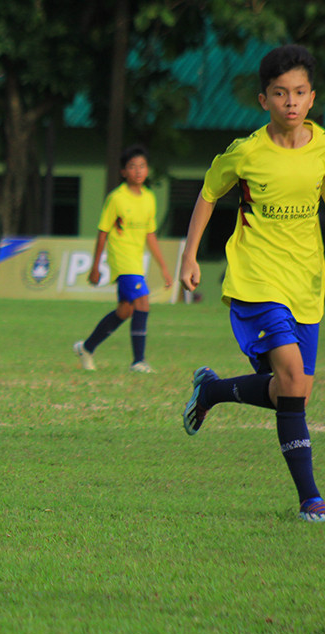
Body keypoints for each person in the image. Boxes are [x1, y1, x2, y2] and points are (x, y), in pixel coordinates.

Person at [179, 44, 325, 522]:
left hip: (305, 282)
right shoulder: (246, 153)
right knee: (289, 377)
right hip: (257, 280)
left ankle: (213, 393)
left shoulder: (322, 148)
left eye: (299, 93)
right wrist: (189, 256)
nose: (291, 102)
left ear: (312, 97)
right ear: (264, 99)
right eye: (280, 93)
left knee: (295, 389)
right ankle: (311, 498)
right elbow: (207, 192)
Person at [73, 145, 172, 373]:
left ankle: (86, 348)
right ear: (123, 172)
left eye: (142, 166)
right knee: (143, 301)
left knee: (125, 311)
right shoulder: (116, 198)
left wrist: (164, 268)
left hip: (136, 261)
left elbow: (150, 235)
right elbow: (102, 233)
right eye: (132, 167)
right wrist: (95, 266)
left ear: (147, 170)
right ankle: (138, 361)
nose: (138, 171)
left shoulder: (149, 198)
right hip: (121, 260)